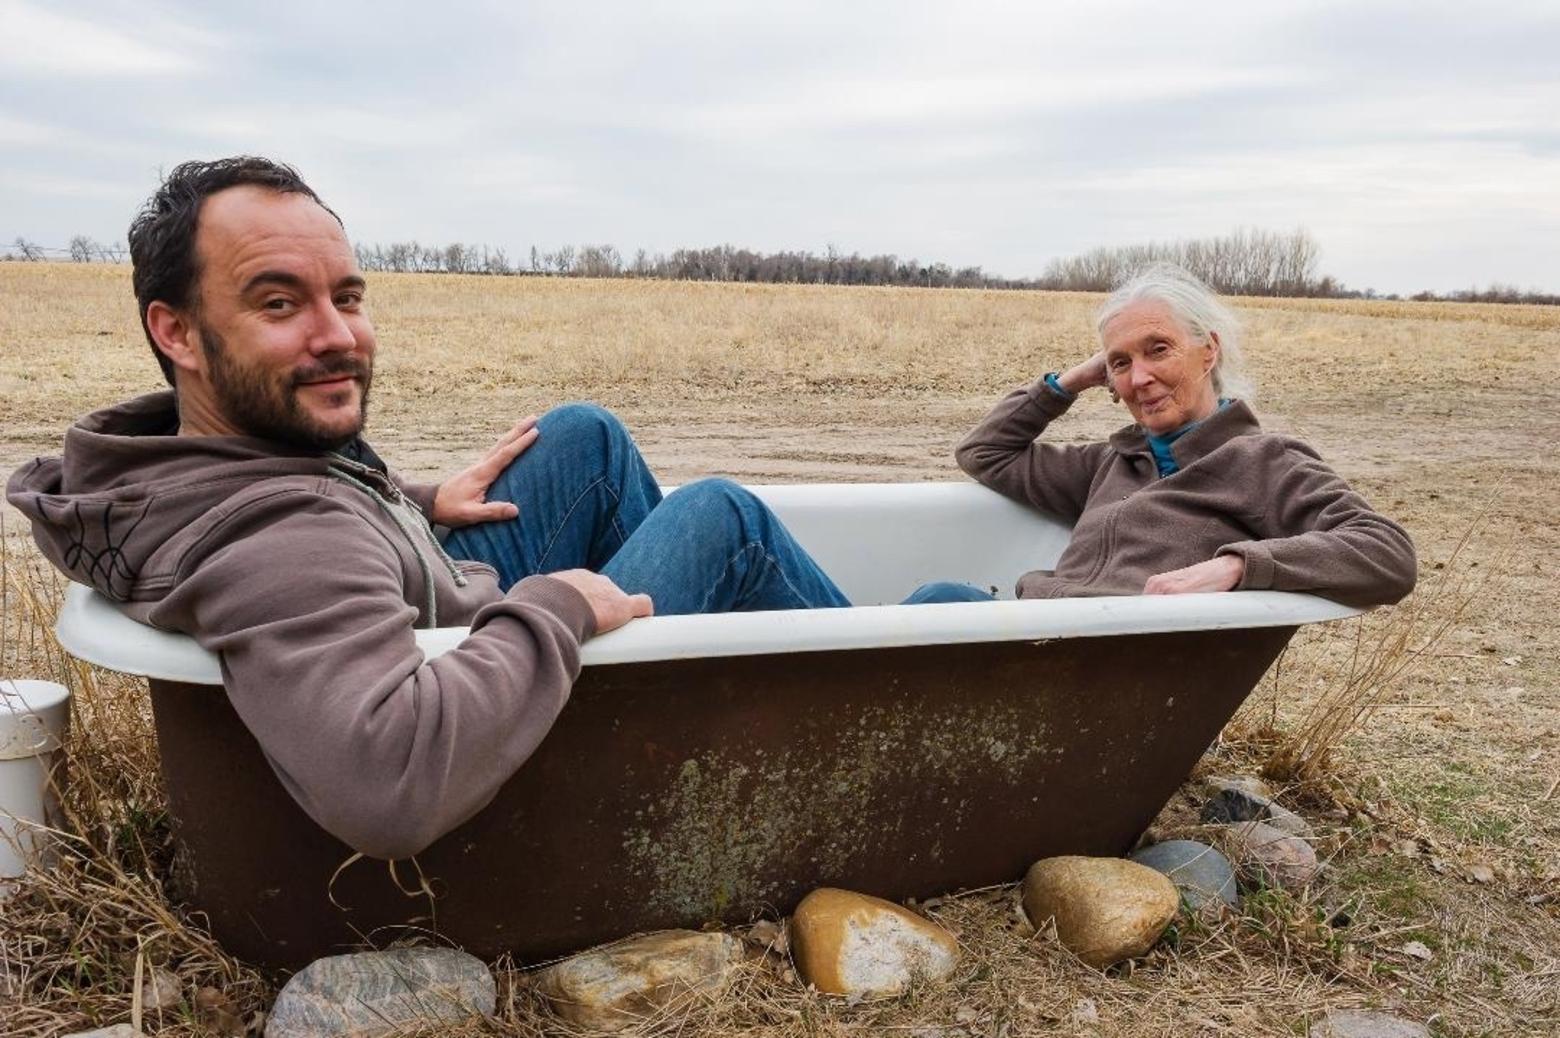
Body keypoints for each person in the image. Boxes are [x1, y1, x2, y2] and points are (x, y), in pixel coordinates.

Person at [6, 156, 848, 860]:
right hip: (493, 743)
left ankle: (704, 689)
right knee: (721, 519)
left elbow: (303, 531)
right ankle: (882, 692)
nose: (337, 334)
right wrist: (558, 607)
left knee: (580, 441)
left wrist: (412, 502)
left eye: (347, 295)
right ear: (178, 333)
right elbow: (389, 784)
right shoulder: (283, 543)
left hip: (442, 609)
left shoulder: (183, 466)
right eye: (278, 302)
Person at [906, 262, 1417, 608]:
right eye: (1120, 363)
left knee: (935, 602)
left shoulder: (1263, 461)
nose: (1138, 378)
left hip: (1103, 659)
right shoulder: (1112, 463)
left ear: (1208, 350)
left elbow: (1388, 553)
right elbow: (984, 453)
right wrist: (1071, 380)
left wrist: (1237, 566)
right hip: (1030, 629)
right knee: (924, 598)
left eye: (1158, 350)